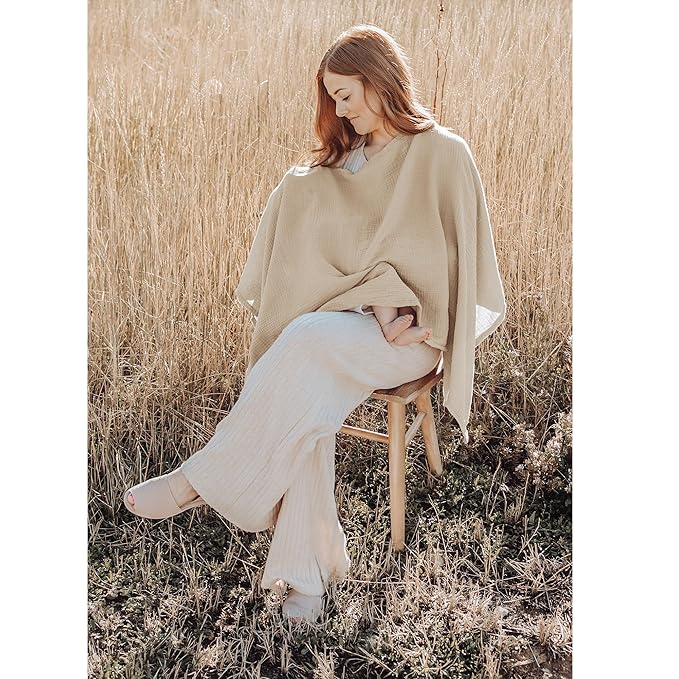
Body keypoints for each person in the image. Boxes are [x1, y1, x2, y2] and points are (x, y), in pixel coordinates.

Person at [122, 24, 505, 624]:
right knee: (309, 389)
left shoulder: (444, 154)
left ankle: (201, 481)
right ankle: (303, 581)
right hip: (342, 329)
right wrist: (367, 291)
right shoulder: (341, 167)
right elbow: (318, 258)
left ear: (380, 81)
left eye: (346, 95)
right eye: (331, 98)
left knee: (302, 348)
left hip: (410, 341)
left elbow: (467, 270)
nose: (340, 110)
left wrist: (426, 323)